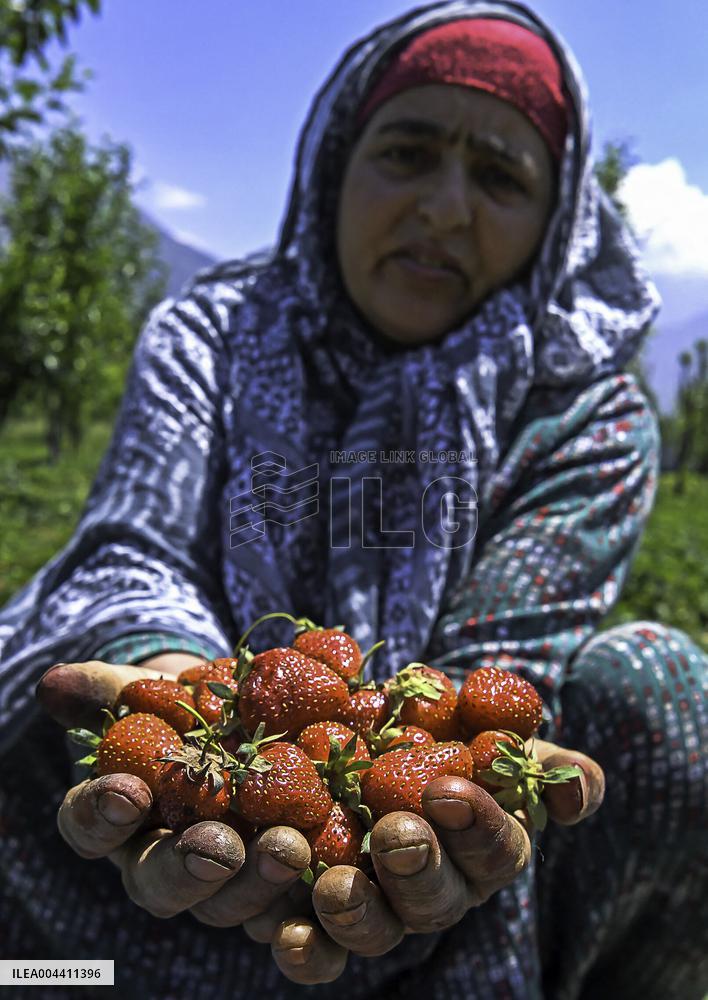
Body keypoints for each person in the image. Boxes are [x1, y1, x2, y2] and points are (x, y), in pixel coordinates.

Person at [0, 2, 705, 998]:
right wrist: (167, 677)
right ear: (334, 166)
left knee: (655, 683)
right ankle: (47, 978)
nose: (447, 208)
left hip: (409, 882)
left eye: (501, 176)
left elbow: (486, 682)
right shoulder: (211, 337)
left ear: (556, 221)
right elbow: (134, 548)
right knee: (62, 707)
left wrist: (424, 784)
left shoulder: (585, 416)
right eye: (409, 152)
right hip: (145, 870)